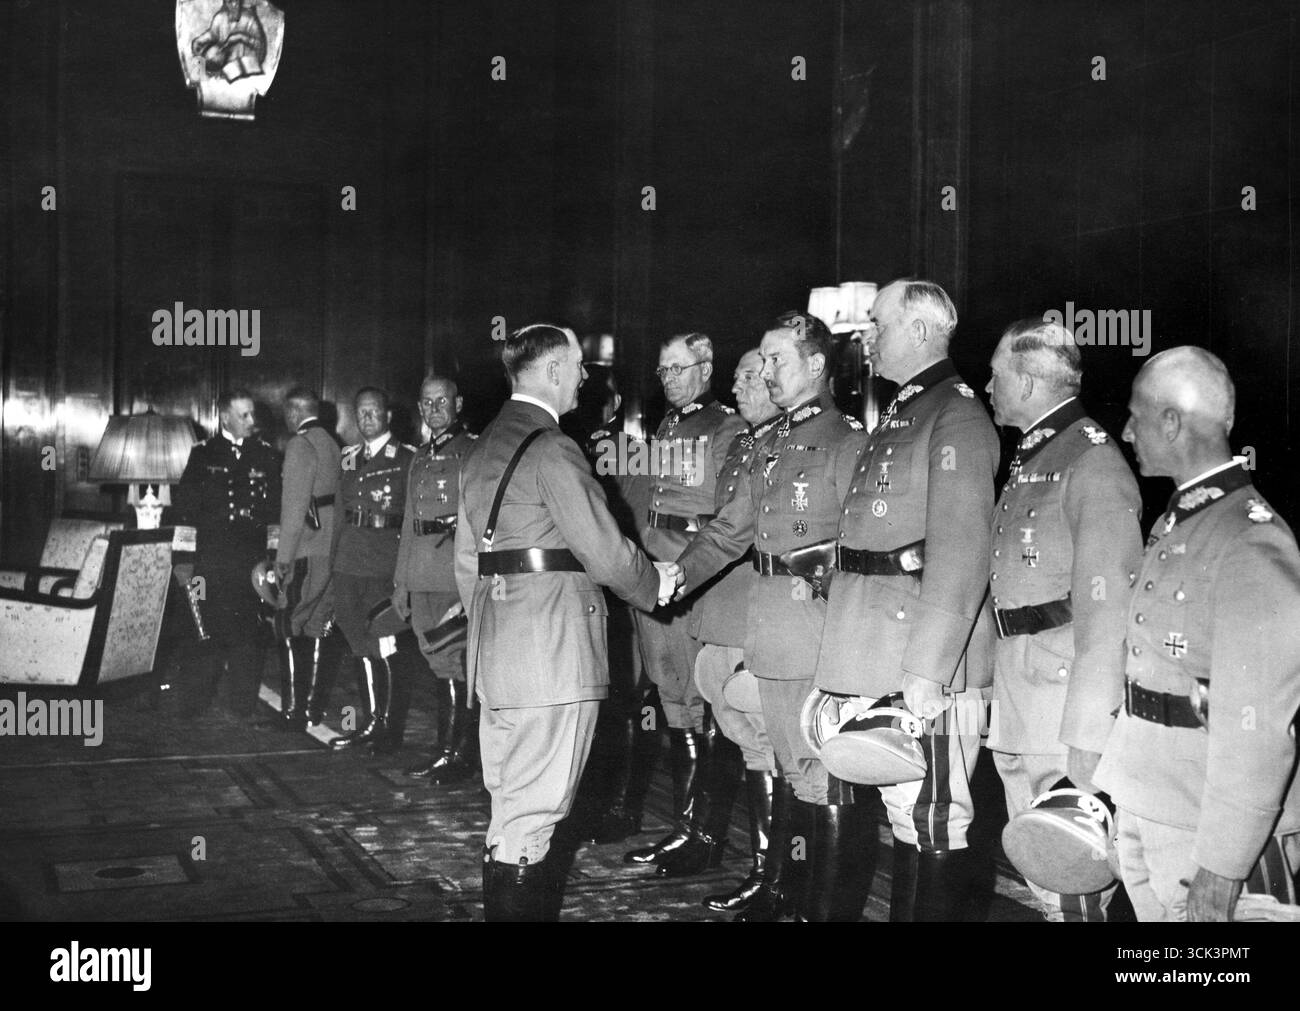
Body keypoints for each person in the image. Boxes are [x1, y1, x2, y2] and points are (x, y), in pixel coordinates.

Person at [455, 322, 680, 921]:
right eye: (579, 365)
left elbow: (465, 562)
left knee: (510, 813)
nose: (585, 376)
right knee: (534, 821)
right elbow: (606, 553)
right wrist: (655, 583)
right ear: (553, 371)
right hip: (552, 659)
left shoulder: (482, 447)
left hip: (498, 656)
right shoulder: (552, 447)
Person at [812, 278, 998, 921]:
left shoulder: (957, 414)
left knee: (933, 815)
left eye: (879, 324)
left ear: (919, 331)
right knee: (903, 813)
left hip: (923, 654)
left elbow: (963, 549)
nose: (867, 336)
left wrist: (928, 670)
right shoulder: (907, 409)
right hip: (875, 641)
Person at [1094, 346, 1300, 921]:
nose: (1127, 431)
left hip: (1201, 822)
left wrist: (1223, 865)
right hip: (1147, 797)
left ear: (1171, 421)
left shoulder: (1251, 542)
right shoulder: (1179, 521)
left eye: (1136, 415)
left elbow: (1257, 731)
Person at [675, 311, 866, 921]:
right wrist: (673, 576)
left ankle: (817, 911)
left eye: (778, 359)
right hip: (770, 625)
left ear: (815, 365)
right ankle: (788, 891)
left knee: (820, 775)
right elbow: (731, 530)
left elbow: (864, 548)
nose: (766, 371)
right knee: (792, 767)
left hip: (815, 629)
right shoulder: (773, 443)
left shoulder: (847, 439)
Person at [984, 318, 1142, 921]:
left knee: (1074, 869)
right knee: (1044, 872)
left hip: (1062, 695)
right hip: (1023, 688)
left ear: (1026, 382)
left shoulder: (1090, 461)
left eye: (997, 376)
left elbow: (1108, 613)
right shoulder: (1040, 453)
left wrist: (1088, 733)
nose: (989, 387)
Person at [660, 349, 781, 908]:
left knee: (763, 744)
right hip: (721, 605)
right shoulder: (748, 442)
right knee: (724, 727)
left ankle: (772, 871)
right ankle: (711, 841)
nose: (742, 387)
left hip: (755, 610)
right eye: (741, 377)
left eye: (752, 377)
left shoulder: (781, 441)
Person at [623, 333, 745, 867]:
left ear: (706, 368)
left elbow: (728, 521)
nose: (668, 378)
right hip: (655, 574)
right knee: (671, 697)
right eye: (663, 370)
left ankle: (704, 835)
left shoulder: (726, 427)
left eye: (678, 368)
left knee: (698, 701)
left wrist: (681, 568)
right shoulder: (667, 427)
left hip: (690, 580)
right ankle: (687, 827)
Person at [173, 389, 280, 720]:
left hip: (250, 562)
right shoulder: (204, 454)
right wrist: (184, 561)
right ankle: (195, 703)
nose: (252, 421)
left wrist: (274, 559)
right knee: (202, 628)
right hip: (210, 559)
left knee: (249, 633)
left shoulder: (266, 455)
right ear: (225, 418)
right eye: (244, 415)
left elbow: (275, 513)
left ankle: (242, 705)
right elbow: (186, 510)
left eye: (252, 414)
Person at [394, 377, 480, 783]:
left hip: (452, 571)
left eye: (442, 401)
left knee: (455, 662)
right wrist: (400, 582)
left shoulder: (472, 451)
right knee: (438, 662)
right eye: (426, 403)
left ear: (458, 402)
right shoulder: (419, 457)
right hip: (420, 572)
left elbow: (480, 524)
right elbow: (410, 523)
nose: (434, 409)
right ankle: (450, 751)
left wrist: (472, 584)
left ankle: (456, 754)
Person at [329, 388, 418, 754]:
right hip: (349, 559)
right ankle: (370, 721)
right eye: (361, 412)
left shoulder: (408, 458)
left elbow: (412, 518)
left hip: (384, 561)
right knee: (357, 638)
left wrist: (405, 572)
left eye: (374, 412)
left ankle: (389, 730)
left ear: (388, 416)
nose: (367, 418)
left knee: (386, 641)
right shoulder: (349, 457)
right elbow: (339, 512)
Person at [272, 388, 340, 730]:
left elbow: (294, 508)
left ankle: (292, 712)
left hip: (305, 551)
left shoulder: (300, 444)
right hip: (330, 550)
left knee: (285, 623)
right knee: (314, 625)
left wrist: (283, 560)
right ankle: (310, 712)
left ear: (292, 413)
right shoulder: (331, 442)